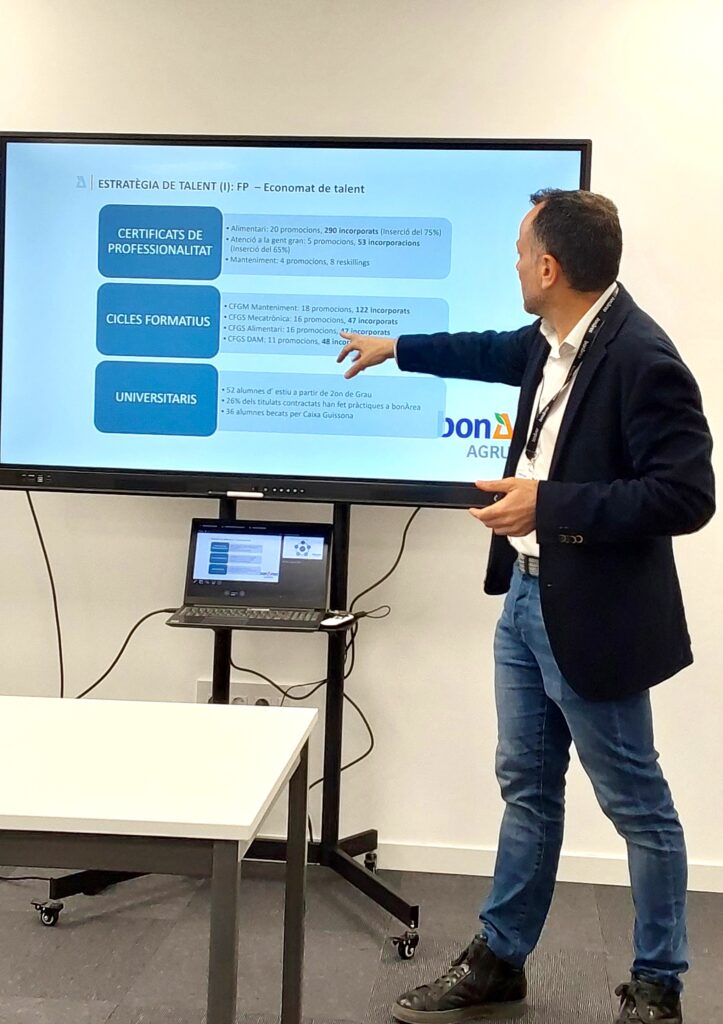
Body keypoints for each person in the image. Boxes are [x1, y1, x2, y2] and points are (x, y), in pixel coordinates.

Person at [337, 189, 715, 1024]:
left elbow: (686, 496)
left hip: (596, 618)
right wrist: (393, 348)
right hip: (524, 602)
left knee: (637, 806)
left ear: (548, 267)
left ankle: (657, 984)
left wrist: (549, 503)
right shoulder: (550, 340)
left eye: (518, 252)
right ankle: (500, 959)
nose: (511, 264)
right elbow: (480, 348)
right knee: (527, 787)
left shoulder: (642, 358)